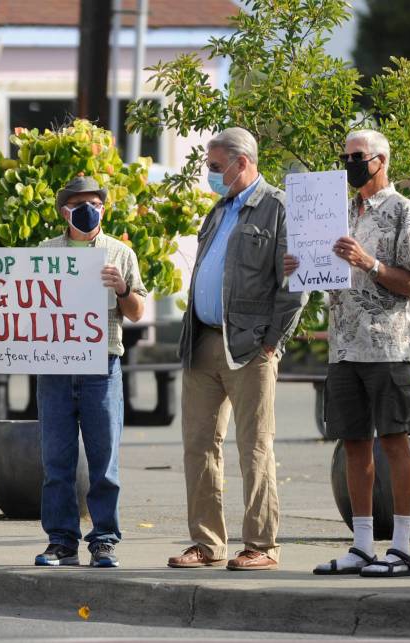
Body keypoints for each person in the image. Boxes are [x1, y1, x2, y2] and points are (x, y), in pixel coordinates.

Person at [0, 175, 146, 568]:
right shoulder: (45, 252)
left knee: (104, 461)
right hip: (55, 370)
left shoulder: (120, 253)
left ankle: (104, 540)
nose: (89, 209)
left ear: (104, 208)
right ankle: (61, 542)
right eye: (79, 204)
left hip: (102, 367)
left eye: (94, 202)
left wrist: (123, 290)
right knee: (56, 462)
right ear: (64, 211)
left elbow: (138, 312)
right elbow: (10, 291)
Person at [286, 130, 410, 578]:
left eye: (356, 156)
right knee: (352, 443)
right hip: (344, 345)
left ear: (380, 159)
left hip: (390, 343)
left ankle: (401, 550)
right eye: (344, 156)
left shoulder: (407, 212)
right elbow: (335, 279)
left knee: (393, 441)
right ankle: (363, 545)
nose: (349, 163)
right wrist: (303, 268)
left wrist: (369, 262)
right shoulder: (340, 214)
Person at [168, 127, 305, 572]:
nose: (209, 175)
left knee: (254, 447)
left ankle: (262, 545)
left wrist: (272, 341)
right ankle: (207, 544)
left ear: (241, 162)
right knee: (199, 446)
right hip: (203, 340)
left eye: (214, 167)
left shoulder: (279, 208)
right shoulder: (218, 209)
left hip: (249, 347)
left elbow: (295, 285)